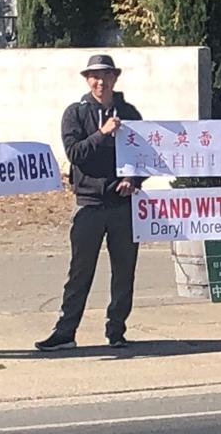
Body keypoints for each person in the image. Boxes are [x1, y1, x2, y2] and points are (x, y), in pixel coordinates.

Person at [36, 54, 144, 351]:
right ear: (87, 80)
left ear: (114, 78)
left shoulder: (130, 112)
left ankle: (117, 330)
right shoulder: (76, 112)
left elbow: (145, 155)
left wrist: (133, 180)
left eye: (105, 76)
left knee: (124, 270)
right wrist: (102, 133)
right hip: (89, 203)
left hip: (122, 204)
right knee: (80, 271)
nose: (100, 81)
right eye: (94, 76)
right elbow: (75, 153)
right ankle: (65, 332)